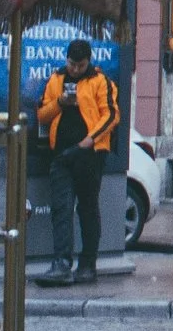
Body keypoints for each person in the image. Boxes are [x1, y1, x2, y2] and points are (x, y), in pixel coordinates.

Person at [35, 40, 118, 287]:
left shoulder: (100, 81)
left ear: (88, 62)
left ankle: (87, 263)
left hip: (89, 153)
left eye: (80, 65)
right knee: (61, 208)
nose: (75, 69)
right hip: (61, 153)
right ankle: (61, 262)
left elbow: (112, 115)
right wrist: (61, 102)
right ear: (66, 60)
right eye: (71, 64)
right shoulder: (56, 79)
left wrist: (89, 141)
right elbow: (41, 114)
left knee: (87, 208)